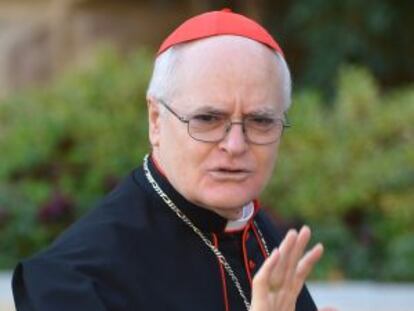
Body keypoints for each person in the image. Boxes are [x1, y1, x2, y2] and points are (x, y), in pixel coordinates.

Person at [12, 9, 334, 311]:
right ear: (156, 120)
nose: (235, 145)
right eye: (208, 118)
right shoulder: (68, 282)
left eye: (260, 121)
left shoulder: (258, 231)